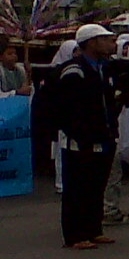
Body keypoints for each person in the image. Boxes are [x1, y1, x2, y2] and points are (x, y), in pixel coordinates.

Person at [56, 24, 120, 250]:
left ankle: (94, 229)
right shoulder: (74, 70)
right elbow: (70, 110)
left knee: (96, 185)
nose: (109, 44)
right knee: (77, 187)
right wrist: (82, 135)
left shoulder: (104, 68)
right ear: (91, 43)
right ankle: (74, 235)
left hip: (104, 136)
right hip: (80, 140)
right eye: (104, 39)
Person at [46, 40, 81, 194]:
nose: (77, 54)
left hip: (76, 119)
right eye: (74, 51)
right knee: (63, 150)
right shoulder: (56, 73)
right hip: (63, 120)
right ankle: (62, 182)